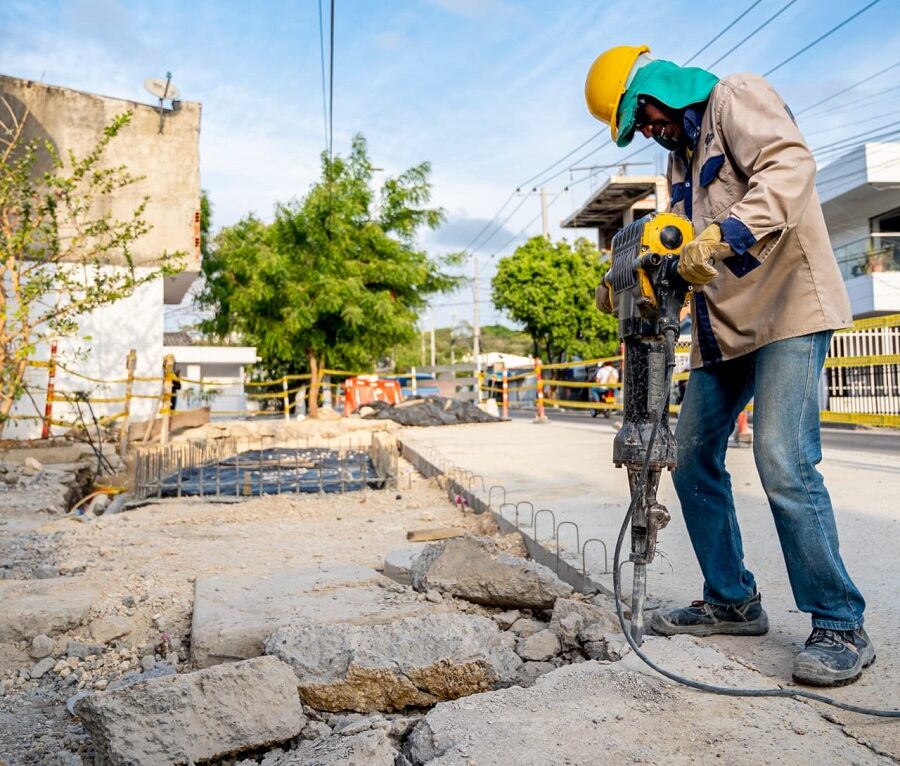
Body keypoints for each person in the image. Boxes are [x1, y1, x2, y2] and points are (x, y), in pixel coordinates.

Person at [584, 46, 870, 687]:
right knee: (689, 458)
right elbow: (678, 240)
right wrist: (627, 274)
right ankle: (732, 600)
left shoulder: (736, 96)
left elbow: (790, 167)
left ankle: (840, 622)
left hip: (790, 309)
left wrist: (724, 234)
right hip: (726, 329)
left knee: (782, 460)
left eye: (644, 118)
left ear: (655, 91)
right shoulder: (680, 159)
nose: (648, 132)